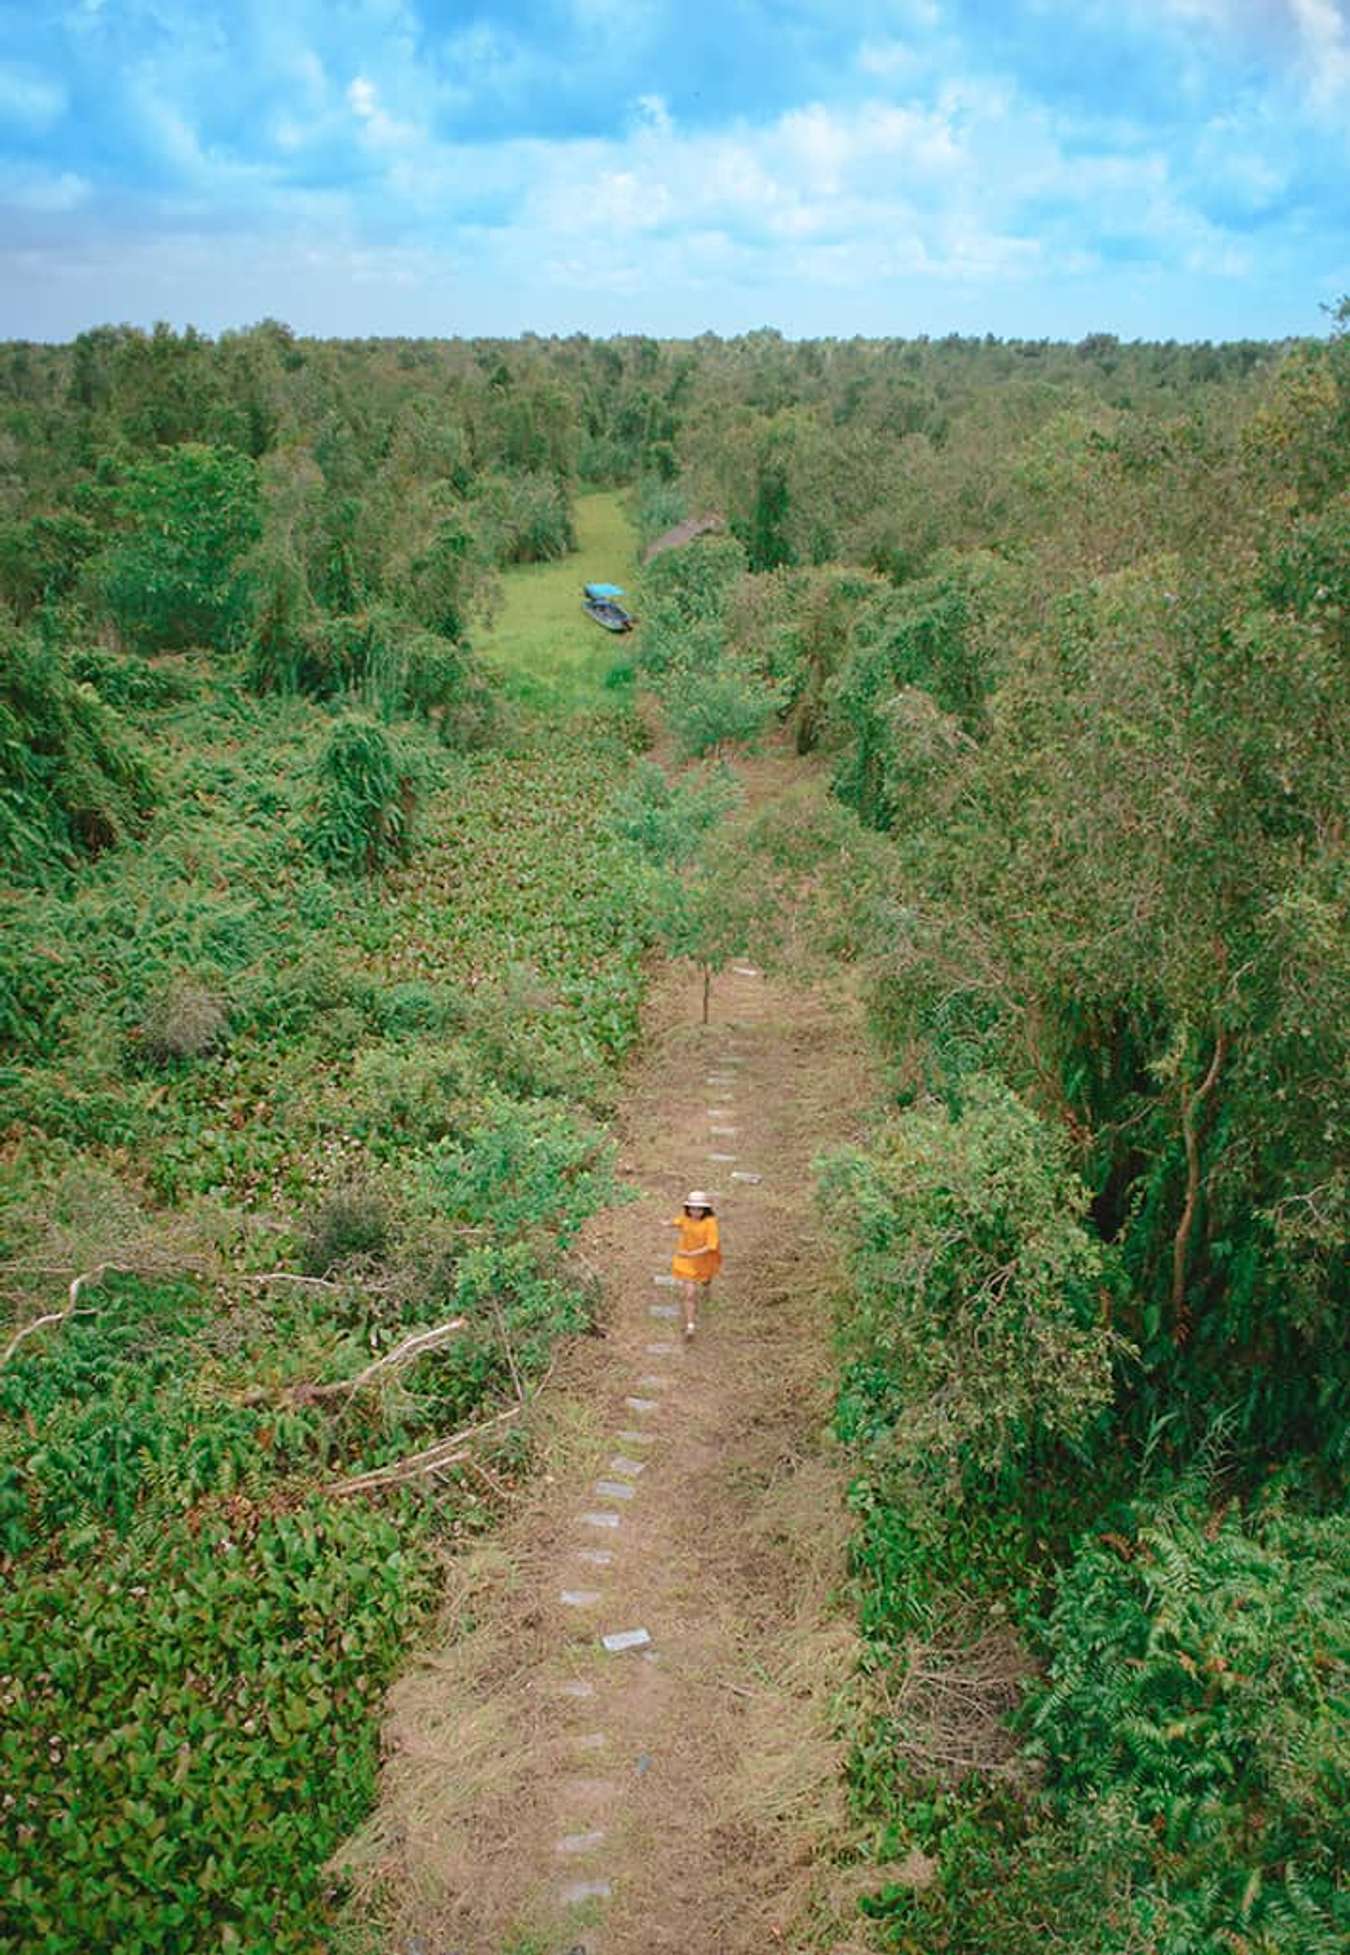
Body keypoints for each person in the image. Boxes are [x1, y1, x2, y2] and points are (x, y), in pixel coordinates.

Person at [669, 1190, 721, 1340]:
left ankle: (707, 1280)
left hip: (704, 1260)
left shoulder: (710, 1224)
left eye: (699, 1209)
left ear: (705, 1210)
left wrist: (691, 1254)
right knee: (689, 1294)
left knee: (705, 1279)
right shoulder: (685, 1219)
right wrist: (666, 1223)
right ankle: (690, 1325)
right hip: (686, 1262)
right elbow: (678, 1222)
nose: (695, 1212)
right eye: (692, 1208)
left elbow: (711, 1246)